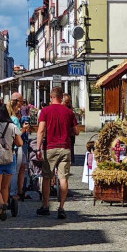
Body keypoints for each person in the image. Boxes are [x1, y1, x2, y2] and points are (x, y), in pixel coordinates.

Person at [36, 86, 79, 220]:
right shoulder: (69, 112)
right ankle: (61, 208)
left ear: (51, 96)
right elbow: (76, 131)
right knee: (63, 178)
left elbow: (41, 130)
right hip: (65, 147)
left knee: (47, 177)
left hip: (50, 147)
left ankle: (46, 206)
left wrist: (38, 148)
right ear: (61, 97)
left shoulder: (45, 111)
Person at [62, 93, 77, 164]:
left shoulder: (70, 112)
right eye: (67, 102)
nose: (68, 104)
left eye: (69, 102)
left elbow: (76, 130)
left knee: (71, 147)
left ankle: (71, 159)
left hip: (70, 134)